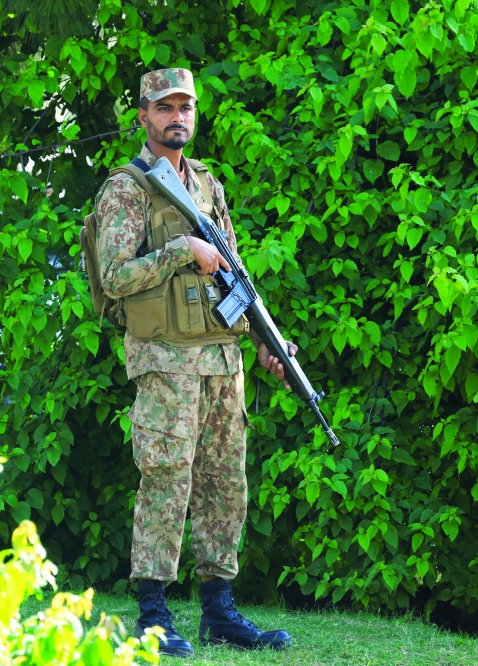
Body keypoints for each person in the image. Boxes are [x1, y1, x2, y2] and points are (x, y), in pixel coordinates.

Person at [94, 67, 295, 657]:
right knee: (165, 483)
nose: (177, 116)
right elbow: (115, 276)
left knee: (224, 486)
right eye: (164, 107)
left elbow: (234, 271)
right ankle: (153, 614)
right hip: (165, 363)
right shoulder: (126, 189)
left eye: (185, 106)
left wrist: (265, 341)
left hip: (221, 365)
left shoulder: (207, 183)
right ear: (143, 117)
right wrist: (183, 250)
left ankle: (219, 611)